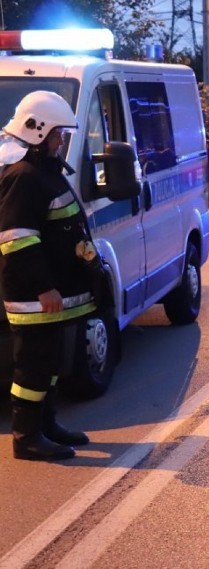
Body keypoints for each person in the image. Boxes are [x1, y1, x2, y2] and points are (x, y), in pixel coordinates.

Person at [0, 91, 103, 460]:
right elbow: (17, 241)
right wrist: (43, 287)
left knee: (52, 362)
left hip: (54, 293)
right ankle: (26, 438)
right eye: (58, 134)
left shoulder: (44, 172)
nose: (61, 141)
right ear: (38, 131)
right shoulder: (23, 177)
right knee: (32, 365)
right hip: (35, 297)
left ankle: (46, 424)